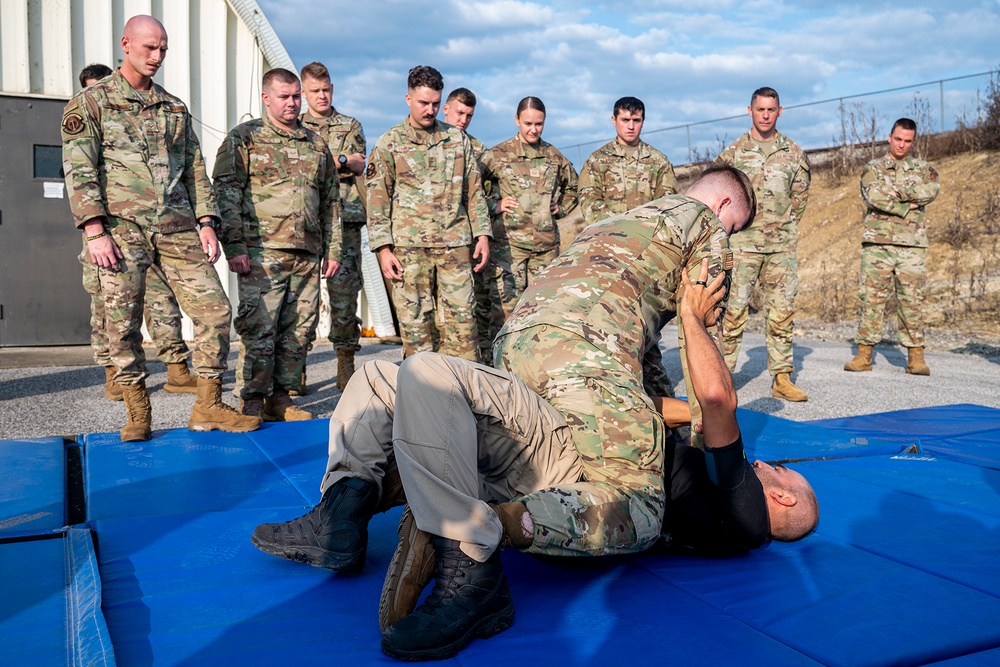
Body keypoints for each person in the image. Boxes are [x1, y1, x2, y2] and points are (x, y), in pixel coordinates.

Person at [250, 166, 817, 661]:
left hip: (570, 462)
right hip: (578, 420)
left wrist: (690, 322)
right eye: (732, 229)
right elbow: (679, 404)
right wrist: (679, 386)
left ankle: (467, 545)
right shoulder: (700, 231)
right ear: (721, 209)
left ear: (783, 498)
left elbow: (717, 402)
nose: (775, 464)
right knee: (394, 375)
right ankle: (345, 513)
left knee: (420, 375)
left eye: (785, 472)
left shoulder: (745, 513)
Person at [62, 15, 259, 441]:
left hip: (177, 227)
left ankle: (207, 404)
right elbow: (79, 170)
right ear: (126, 44)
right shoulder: (92, 103)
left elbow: (194, 168)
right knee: (123, 321)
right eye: (150, 47)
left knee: (215, 310)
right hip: (121, 228)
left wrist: (207, 222)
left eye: (163, 48)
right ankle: (138, 412)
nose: (157, 56)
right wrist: (94, 230)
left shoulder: (174, 107)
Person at [213, 68, 340, 421]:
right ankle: (253, 398)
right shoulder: (245, 138)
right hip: (261, 251)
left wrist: (334, 249)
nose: (292, 103)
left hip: (308, 253)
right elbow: (227, 192)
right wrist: (234, 245)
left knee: (299, 330)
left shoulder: (316, 143)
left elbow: (332, 201)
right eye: (284, 97)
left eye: (296, 96)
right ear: (266, 97)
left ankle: (281, 398)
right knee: (259, 327)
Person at [77, 63, 201, 402]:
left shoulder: (153, 107)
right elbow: (81, 175)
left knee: (162, 300)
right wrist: (94, 229)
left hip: (155, 227)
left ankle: (176, 367)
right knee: (110, 306)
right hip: (108, 228)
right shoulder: (88, 112)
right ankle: (114, 374)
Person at [366, 66, 492, 361]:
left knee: (462, 327)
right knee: (416, 328)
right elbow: (377, 201)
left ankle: (462, 399)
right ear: (408, 98)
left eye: (436, 103)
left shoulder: (457, 140)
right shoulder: (389, 143)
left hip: (455, 246)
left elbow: (473, 191)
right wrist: (383, 249)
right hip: (410, 250)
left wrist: (483, 235)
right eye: (424, 103)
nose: (430, 110)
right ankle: (421, 399)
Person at [578, 95, 680, 398]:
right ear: (614, 121)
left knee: (645, 330)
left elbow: (667, 205)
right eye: (625, 120)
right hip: (608, 256)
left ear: (643, 122)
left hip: (646, 258)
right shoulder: (598, 161)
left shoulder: (658, 161)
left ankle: (661, 400)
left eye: (636, 120)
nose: (631, 126)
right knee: (607, 324)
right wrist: (621, 227)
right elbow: (588, 201)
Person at [715, 86, 811, 402]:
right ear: (750, 111)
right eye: (760, 109)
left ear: (779, 111)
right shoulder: (733, 154)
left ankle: (782, 377)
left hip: (781, 248)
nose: (766, 115)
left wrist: (781, 225)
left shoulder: (793, 153)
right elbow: (718, 194)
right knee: (731, 312)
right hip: (742, 244)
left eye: (771, 110)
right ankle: (721, 378)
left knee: (781, 312)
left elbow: (800, 196)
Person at [844, 118, 940, 375]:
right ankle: (864, 355)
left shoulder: (923, 168)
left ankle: (915, 357)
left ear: (913, 141)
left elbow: (932, 189)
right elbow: (873, 196)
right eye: (898, 139)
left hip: (912, 245)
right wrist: (905, 205)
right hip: (878, 244)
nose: (902, 144)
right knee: (871, 300)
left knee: (912, 300)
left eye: (908, 141)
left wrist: (899, 193)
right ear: (889, 137)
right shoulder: (873, 168)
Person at [298, 61, 368, 392]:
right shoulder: (295, 126)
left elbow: (358, 162)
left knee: (344, 297)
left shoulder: (348, 125)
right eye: (315, 91)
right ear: (303, 91)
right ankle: (294, 369)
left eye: (326, 89)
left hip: (345, 222)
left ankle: (345, 361)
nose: (322, 96)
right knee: (301, 300)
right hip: (307, 222)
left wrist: (335, 160)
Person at [442, 87, 518, 365]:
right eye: (459, 113)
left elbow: (490, 190)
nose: (463, 120)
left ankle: (478, 370)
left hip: (470, 240)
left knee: (472, 311)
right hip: (434, 241)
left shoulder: (477, 150)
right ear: (445, 109)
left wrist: (495, 206)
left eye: (469, 116)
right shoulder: (429, 142)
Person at [480, 97, 578, 296]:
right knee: (507, 312)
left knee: (541, 307)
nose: (533, 130)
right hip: (509, 249)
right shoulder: (498, 155)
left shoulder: (554, 156)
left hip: (545, 249)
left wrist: (561, 208)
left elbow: (575, 186)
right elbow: (471, 188)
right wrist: (494, 206)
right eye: (528, 124)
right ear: (517, 120)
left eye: (539, 124)